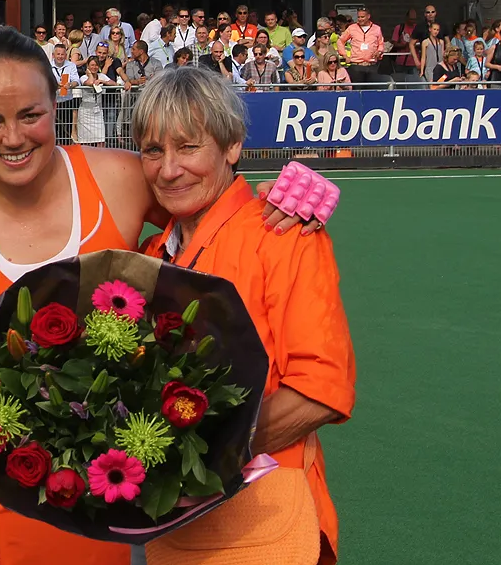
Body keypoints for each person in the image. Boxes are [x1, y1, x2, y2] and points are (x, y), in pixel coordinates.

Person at [0, 28, 334, 565]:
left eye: (29, 115)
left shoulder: (119, 181)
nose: (13, 138)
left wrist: (289, 192)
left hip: (104, 502)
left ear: (55, 104)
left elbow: (204, 197)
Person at [137, 67, 355, 565]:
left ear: (232, 146)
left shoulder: (283, 231)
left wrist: (201, 454)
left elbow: (321, 389)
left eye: (188, 147)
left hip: (265, 516)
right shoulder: (149, 253)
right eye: (153, 150)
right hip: (169, 526)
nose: (168, 169)